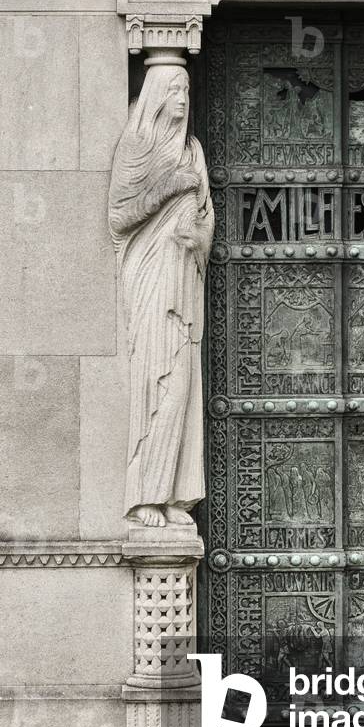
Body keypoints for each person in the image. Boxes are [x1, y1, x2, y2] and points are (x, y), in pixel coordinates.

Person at [109, 62, 214, 528]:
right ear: (154, 94)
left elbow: (205, 212)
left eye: (186, 90)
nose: (182, 98)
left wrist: (201, 238)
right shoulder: (138, 145)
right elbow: (120, 215)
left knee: (183, 388)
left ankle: (175, 492)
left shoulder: (193, 150)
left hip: (185, 277)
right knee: (158, 382)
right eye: (174, 90)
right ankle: (146, 492)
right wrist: (169, 185)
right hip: (151, 279)